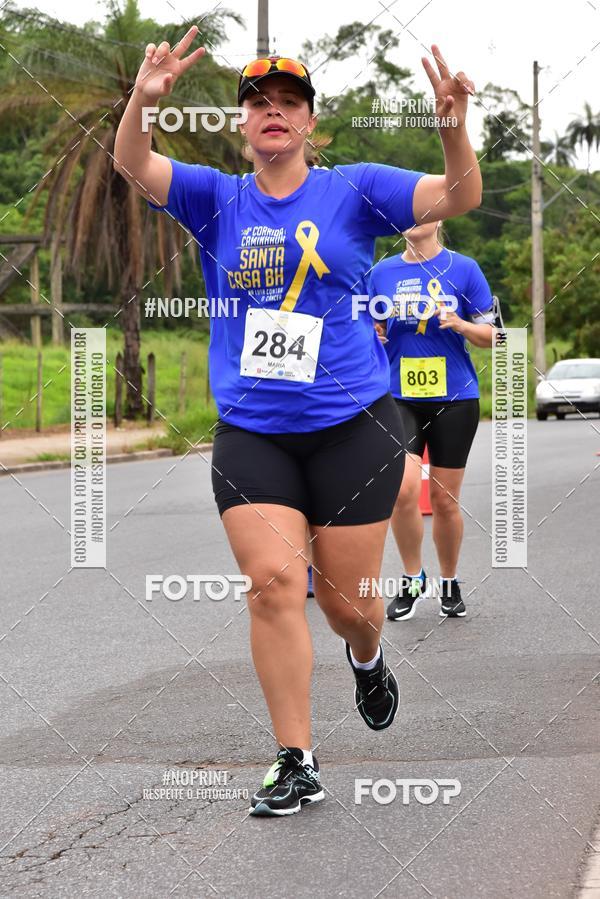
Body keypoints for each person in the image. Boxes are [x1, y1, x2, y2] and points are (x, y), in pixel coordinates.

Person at [114, 27, 481, 816]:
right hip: (254, 431)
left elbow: (459, 196)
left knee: (349, 605)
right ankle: (296, 757)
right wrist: (142, 102)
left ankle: (368, 656)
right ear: (243, 124)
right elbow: (134, 164)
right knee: (274, 584)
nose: (273, 111)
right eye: (258, 103)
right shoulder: (215, 198)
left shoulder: (355, 191)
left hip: (353, 426)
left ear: (310, 121)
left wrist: (453, 127)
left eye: (289, 101)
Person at [369, 221, 494, 622]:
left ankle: (449, 581)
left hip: (455, 397)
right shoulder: (381, 273)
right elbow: (362, 328)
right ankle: (412, 577)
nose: (414, 219)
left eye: (423, 213)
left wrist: (461, 324)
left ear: (439, 220)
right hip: (398, 396)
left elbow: (494, 336)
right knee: (402, 491)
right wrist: (373, 335)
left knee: (444, 499)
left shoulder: (465, 268)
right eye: (408, 213)